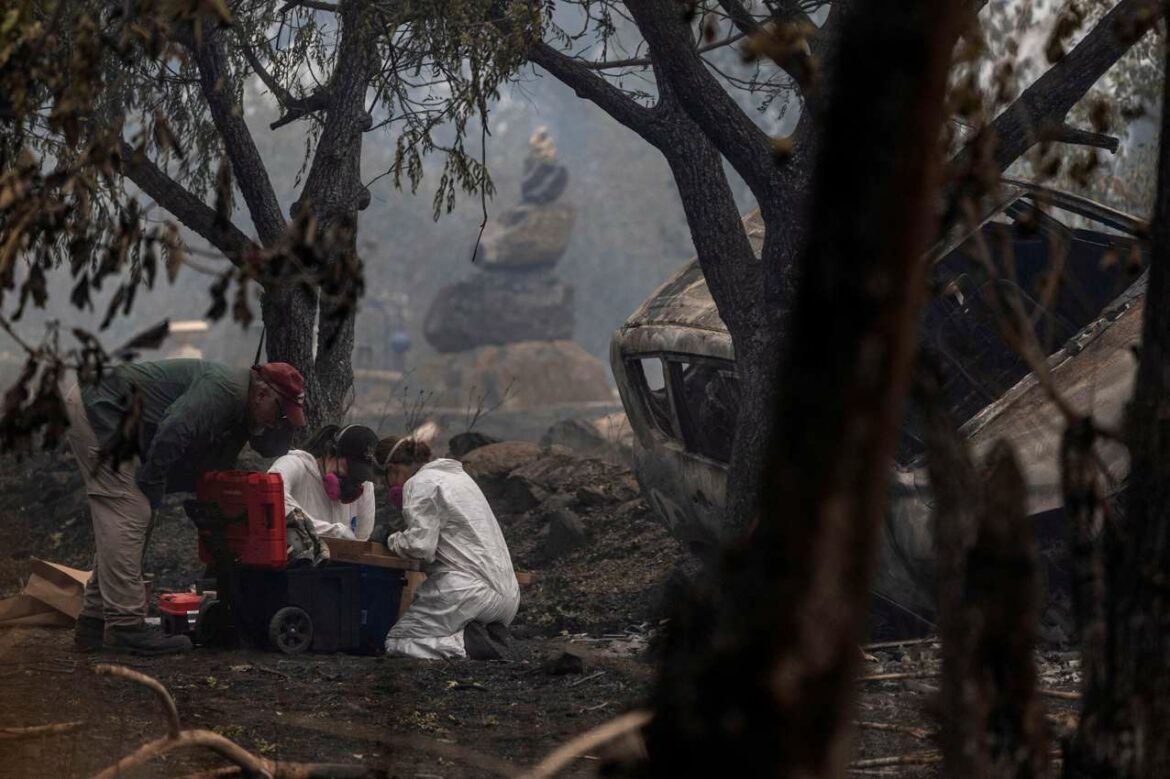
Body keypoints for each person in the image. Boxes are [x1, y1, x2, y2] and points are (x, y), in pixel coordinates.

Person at [64, 359, 306, 655]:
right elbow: (175, 429)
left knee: (133, 514)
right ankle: (125, 628)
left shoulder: (242, 408)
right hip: (100, 407)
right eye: (280, 413)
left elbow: (213, 465)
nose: (277, 423)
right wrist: (152, 482)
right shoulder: (225, 391)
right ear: (262, 394)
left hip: (109, 410)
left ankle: (94, 622)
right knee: (131, 510)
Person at [377, 433, 520, 659]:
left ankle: (466, 645)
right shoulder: (459, 479)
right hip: (508, 596)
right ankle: (486, 634)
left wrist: (389, 538)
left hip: (466, 591)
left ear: (393, 469)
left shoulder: (420, 483)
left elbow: (420, 547)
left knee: (398, 641)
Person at [267, 425, 379, 564]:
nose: (353, 481)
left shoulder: (365, 487)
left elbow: (361, 540)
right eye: (348, 469)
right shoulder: (297, 466)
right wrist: (331, 533)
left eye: (360, 476)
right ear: (330, 453)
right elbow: (270, 495)